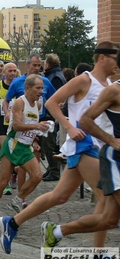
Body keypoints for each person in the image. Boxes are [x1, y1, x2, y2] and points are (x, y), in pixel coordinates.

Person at [0, 41, 119, 254]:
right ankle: (98, 254)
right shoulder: (84, 80)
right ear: (102, 57)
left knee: (59, 196)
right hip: (84, 144)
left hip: (96, 144)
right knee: (105, 198)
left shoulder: (110, 83)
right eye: (115, 57)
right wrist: (69, 126)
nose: (117, 63)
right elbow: (52, 102)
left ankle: (13, 222)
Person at [41, 50, 120, 248]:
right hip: (107, 154)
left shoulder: (107, 86)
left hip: (93, 147)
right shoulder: (112, 90)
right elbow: (84, 119)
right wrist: (110, 140)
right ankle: (98, 256)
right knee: (61, 195)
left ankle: (58, 231)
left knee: (108, 219)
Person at [0, 75, 51, 225]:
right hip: (13, 145)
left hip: (26, 146)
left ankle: (17, 199)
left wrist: (36, 137)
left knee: (37, 176)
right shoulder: (19, 103)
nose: (41, 91)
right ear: (27, 88)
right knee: (3, 182)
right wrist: (37, 126)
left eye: (42, 88)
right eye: (38, 88)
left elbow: (32, 125)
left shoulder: (39, 105)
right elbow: (17, 126)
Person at [0, 62, 18, 198]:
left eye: (14, 71)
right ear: (5, 72)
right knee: (5, 150)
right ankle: (5, 181)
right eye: (10, 71)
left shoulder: (19, 86)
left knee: (14, 151)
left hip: (15, 123)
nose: (12, 73)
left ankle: (13, 174)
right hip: (2, 122)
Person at [41, 53, 66, 182]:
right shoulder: (55, 75)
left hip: (51, 114)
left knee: (49, 143)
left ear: (48, 64)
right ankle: (51, 169)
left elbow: (56, 97)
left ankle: (54, 170)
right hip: (50, 113)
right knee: (46, 143)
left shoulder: (55, 77)